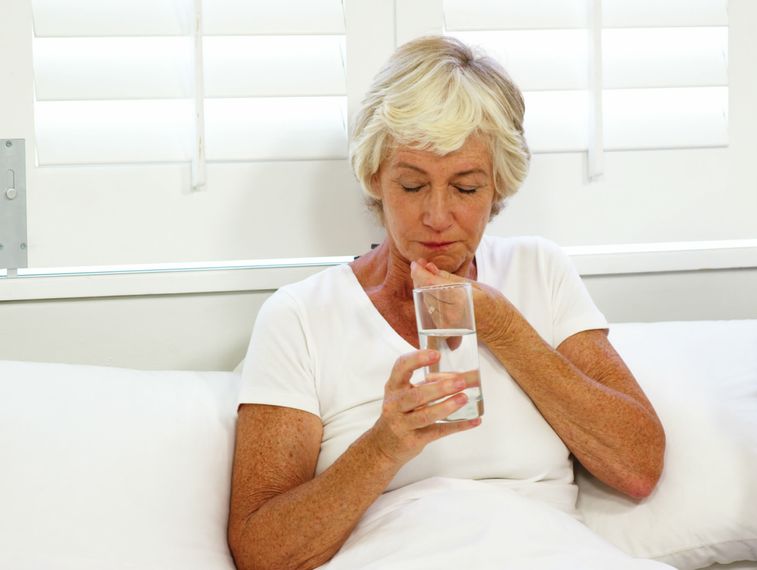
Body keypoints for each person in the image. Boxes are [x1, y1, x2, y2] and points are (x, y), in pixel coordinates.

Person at [225, 36, 666, 569]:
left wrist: (506, 330)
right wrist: (385, 445)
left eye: (465, 188)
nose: (437, 216)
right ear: (374, 178)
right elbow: (260, 552)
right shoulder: (301, 316)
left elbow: (639, 466)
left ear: (498, 186)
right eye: (412, 186)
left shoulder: (539, 271)